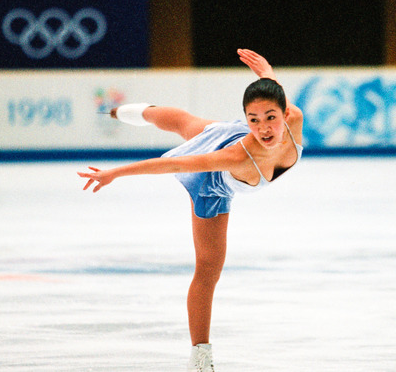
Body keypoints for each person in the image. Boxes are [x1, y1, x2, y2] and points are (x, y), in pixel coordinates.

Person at [78, 49, 303, 372]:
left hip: (231, 137)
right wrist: (115, 173)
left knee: (187, 123)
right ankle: (201, 357)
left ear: (284, 114)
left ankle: (132, 111)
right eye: (253, 120)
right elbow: (174, 163)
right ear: (246, 120)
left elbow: (273, 89)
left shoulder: (294, 119)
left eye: (270, 117)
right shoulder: (236, 156)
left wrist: (266, 69)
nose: (264, 128)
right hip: (213, 184)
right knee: (209, 269)